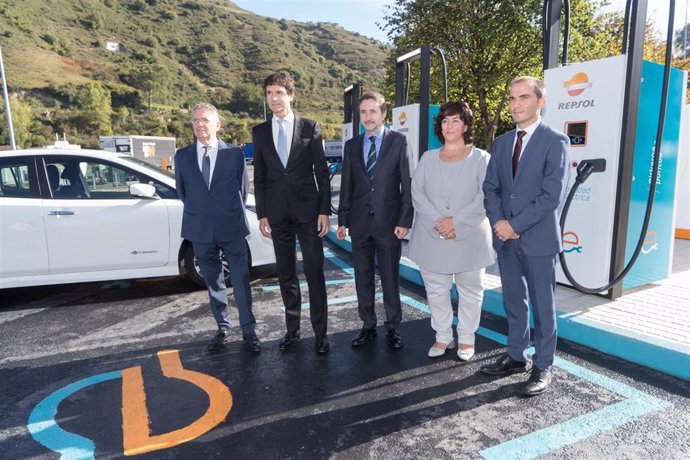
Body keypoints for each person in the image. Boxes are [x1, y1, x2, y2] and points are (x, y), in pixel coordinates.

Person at [481, 76, 570, 396]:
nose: (515, 104)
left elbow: (551, 196)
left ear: (540, 102)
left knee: (543, 305)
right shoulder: (503, 142)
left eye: (523, 97)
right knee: (513, 301)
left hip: (537, 239)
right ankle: (516, 355)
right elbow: (490, 188)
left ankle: (543, 364)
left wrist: (514, 225)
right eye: (511, 98)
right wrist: (499, 222)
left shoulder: (555, 141)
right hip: (506, 239)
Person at [252, 71, 331, 354]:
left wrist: (325, 211)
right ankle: (292, 331)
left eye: (279, 93)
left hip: (309, 212)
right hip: (277, 214)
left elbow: (322, 173)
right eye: (270, 93)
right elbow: (259, 177)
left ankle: (321, 334)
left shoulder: (310, 128)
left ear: (290, 95)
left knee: (314, 272)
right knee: (286, 274)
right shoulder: (259, 132)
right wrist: (262, 214)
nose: (274, 98)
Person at [408, 100, 495, 361]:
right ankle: (442, 336)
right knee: (436, 290)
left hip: (470, 236)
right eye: (445, 120)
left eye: (455, 120)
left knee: (470, 290)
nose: (449, 125)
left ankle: (467, 339)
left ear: (466, 125)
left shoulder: (482, 158)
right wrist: (440, 222)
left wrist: (456, 222)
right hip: (432, 235)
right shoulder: (428, 157)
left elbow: (485, 196)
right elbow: (417, 193)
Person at [174, 103, 260, 353]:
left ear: (217, 125)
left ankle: (249, 329)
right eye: (195, 120)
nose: (199, 124)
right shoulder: (183, 156)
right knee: (212, 281)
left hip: (231, 227)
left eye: (205, 120)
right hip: (199, 229)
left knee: (241, 280)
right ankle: (223, 328)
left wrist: (226, 212)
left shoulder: (233, 154)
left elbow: (242, 191)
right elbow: (183, 192)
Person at [336, 91, 413, 350]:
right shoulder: (352, 146)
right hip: (359, 224)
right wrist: (342, 220)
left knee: (390, 278)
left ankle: (393, 327)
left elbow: (407, 186)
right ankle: (368, 325)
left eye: (372, 111)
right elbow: (347, 185)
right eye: (363, 112)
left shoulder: (399, 142)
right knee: (363, 277)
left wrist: (404, 220)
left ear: (383, 113)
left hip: (390, 225)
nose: (368, 117)